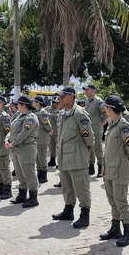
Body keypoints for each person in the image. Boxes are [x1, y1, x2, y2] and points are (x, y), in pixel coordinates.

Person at [52, 86, 95, 228]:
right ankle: (68, 210)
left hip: (77, 157)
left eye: (63, 96)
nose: (60, 99)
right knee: (67, 186)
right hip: (64, 156)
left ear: (71, 97)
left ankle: (84, 214)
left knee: (81, 186)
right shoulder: (63, 114)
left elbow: (88, 136)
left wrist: (86, 151)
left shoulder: (80, 114)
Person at [98, 95, 129, 246]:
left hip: (120, 170)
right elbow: (107, 150)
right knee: (112, 201)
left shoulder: (123, 125)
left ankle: (128, 234)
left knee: (121, 202)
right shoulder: (111, 124)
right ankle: (115, 229)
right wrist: (104, 168)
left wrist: (121, 161)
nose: (104, 110)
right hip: (109, 170)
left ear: (110, 108)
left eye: (106, 107)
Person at [6, 95, 40, 208]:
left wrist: (13, 143)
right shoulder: (19, 116)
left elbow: (24, 134)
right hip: (15, 149)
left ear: (23, 105)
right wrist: (7, 140)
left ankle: (33, 197)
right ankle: (22, 194)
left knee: (29, 173)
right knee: (20, 173)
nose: (16, 106)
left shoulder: (30, 118)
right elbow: (12, 131)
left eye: (18, 104)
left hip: (26, 149)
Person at [83, 84, 107, 176]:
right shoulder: (87, 101)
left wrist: (103, 120)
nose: (85, 91)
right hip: (88, 129)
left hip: (96, 128)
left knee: (97, 147)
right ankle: (91, 167)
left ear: (93, 91)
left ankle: (100, 168)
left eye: (87, 89)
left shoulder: (98, 101)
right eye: (85, 90)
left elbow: (105, 112)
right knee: (89, 147)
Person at [32, 95, 53, 184]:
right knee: (37, 158)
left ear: (38, 103)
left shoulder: (42, 112)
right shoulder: (36, 112)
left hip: (42, 138)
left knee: (42, 157)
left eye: (34, 101)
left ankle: (43, 175)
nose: (32, 103)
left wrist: (49, 129)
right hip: (36, 138)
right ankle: (39, 174)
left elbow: (46, 124)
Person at [48, 97, 60, 167]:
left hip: (57, 131)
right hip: (51, 131)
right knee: (51, 147)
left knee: (58, 148)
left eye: (55, 102)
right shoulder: (50, 108)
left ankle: (59, 162)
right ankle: (52, 160)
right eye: (53, 102)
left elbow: (58, 117)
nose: (54, 103)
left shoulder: (59, 109)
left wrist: (50, 115)